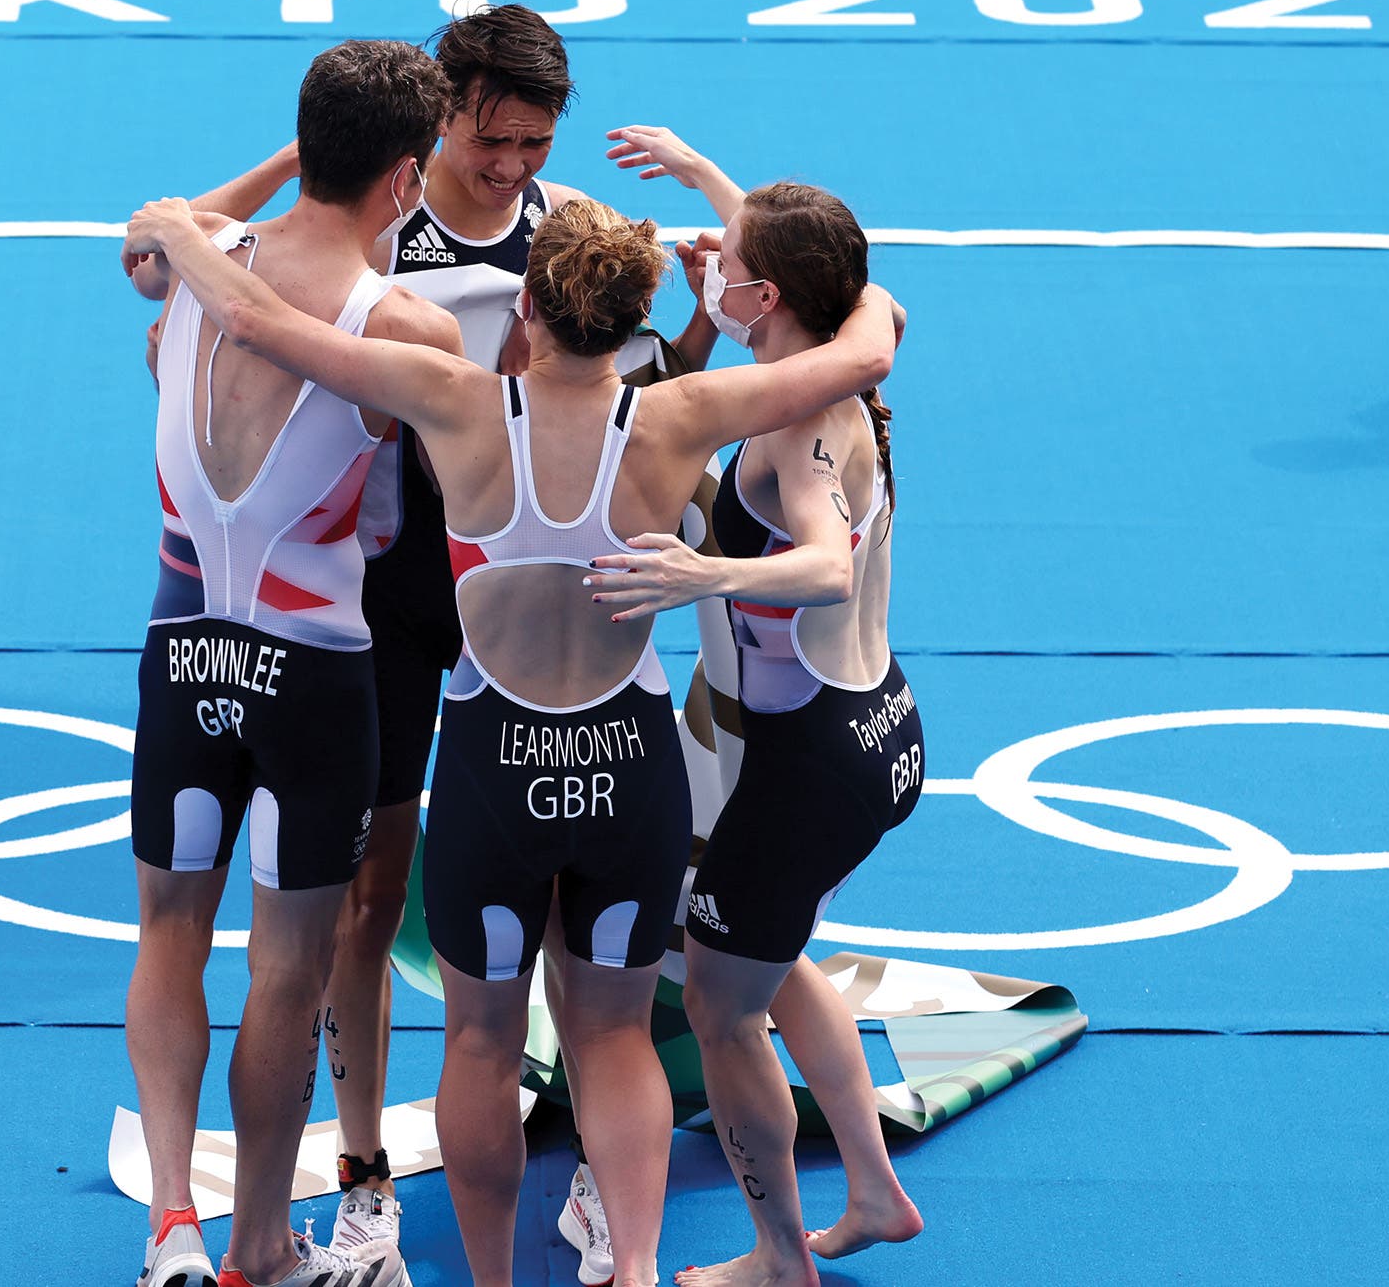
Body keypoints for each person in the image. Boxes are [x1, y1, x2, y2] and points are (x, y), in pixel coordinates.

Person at [125, 192, 904, 1287]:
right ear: (639, 315)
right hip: (630, 773)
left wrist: (190, 238)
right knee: (614, 1038)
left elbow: (260, 323)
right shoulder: (687, 413)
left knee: (482, 1048)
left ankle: (492, 1282)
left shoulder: (454, 402)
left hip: (495, 770)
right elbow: (873, 341)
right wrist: (821, 280)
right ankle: (633, 1269)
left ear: (526, 309)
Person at [125, 5, 706, 1278]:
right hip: (378, 599)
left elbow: (650, 400)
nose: (511, 168)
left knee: (570, 884)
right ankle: (362, 1167)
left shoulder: (571, 244)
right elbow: (248, 295)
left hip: (525, 588)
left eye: (533, 145)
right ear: (436, 123)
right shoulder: (386, 240)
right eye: (491, 141)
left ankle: (603, 1159)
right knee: (367, 899)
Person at [124, 38, 458, 1287]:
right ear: (407, 179)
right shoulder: (406, 322)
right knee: (289, 964)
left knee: (166, 931)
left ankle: (172, 1224)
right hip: (314, 673)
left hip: (179, 651)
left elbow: (157, 243)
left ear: (304, 150)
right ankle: (261, 1242)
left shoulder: (185, 284)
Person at [589, 128, 927, 1287]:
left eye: (721, 263)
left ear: (767, 295)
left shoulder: (788, 436)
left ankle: (781, 1260)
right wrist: (705, 178)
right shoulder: (849, 354)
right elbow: (822, 275)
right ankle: (874, 1193)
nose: (706, 268)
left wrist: (705, 575)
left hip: (805, 764)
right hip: (880, 726)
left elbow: (827, 563)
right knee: (771, 960)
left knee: (720, 1004)